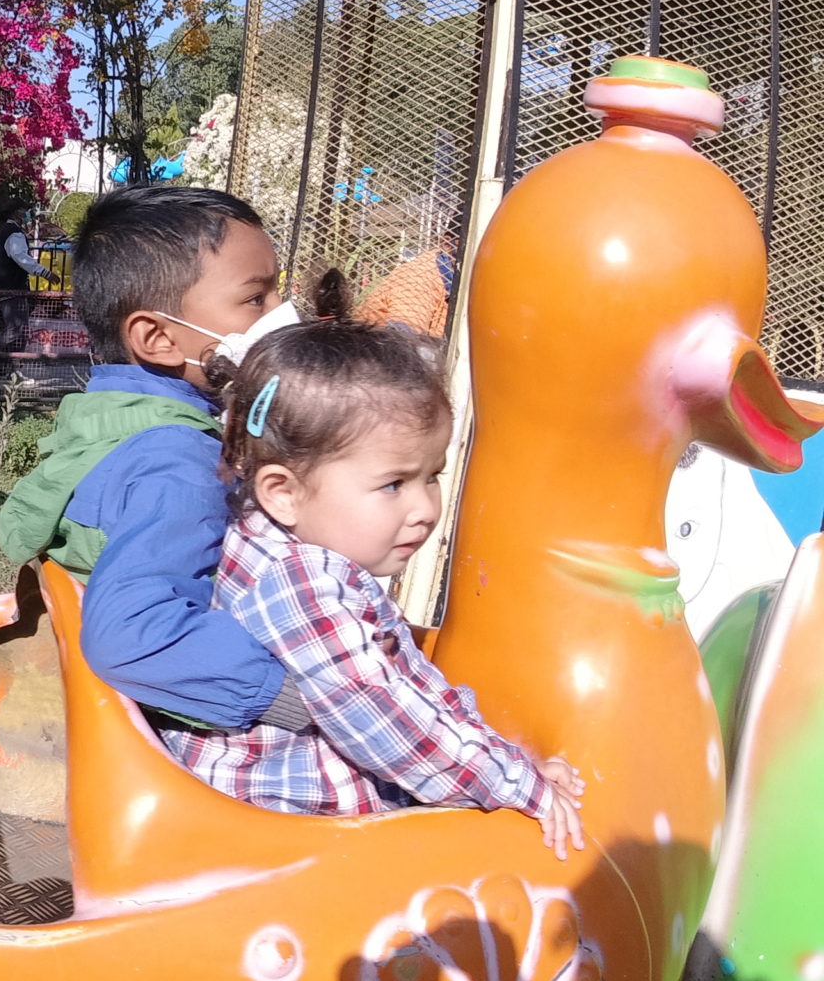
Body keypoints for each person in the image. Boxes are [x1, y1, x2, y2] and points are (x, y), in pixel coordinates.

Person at [164, 320, 586, 858]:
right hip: (291, 834)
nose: (425, 509)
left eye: (432, 476)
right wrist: (519, 787)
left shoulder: (288, 548)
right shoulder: (301, 585)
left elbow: (409, 689)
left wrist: (509, 761)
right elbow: (389, 722)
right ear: (283, 493)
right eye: (393, 484)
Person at [0, 186, 308, 732]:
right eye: (257, 299)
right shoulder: (181, 464)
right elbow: (133, 636)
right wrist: (302, 701)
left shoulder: (110, 419)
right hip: (188, 738)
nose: (283, 317)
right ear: (157, 337)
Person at [0, 203, 48, 376]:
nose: (27, 215)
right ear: (15, 213)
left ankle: (1, 369)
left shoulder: (3, 235)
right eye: (24, 211)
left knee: (6, 329)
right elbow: (21, 257)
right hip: (11, 290)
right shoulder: (13, 233)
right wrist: (43, 272)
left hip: (0, 289)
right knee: (17, 329)